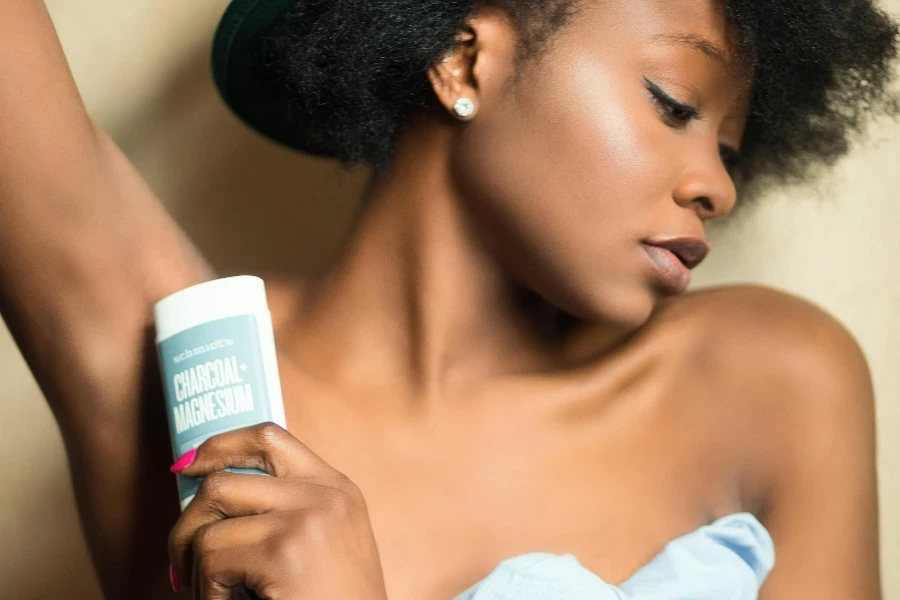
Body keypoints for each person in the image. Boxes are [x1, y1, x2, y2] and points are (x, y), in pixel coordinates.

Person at [1, 0, 897, 598]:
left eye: (730, 151)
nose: (717, 188)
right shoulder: (210, 378)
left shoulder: (771, 385)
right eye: (672, 103)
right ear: (463, 61)